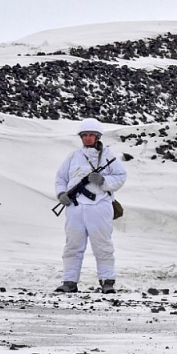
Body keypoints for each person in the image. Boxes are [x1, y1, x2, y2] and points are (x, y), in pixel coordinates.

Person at [54, 118, 127, 293]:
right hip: (75, 207)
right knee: (72, 245)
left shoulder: (108, 156)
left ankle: (107, 281)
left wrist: (103, 181)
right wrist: (61, 194)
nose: (87, 138)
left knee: (103, 245)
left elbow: (120, 176)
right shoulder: (73, 156)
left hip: (100, 205)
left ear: (97, 137)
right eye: (84, 135)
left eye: (91, 135)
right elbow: (61, 178)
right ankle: (69, 281)